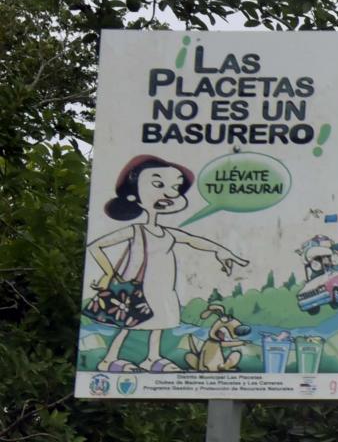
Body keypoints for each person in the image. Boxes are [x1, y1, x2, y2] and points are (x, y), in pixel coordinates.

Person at [84, 155, 249, 372]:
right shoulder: (136, 230)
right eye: (158, 184)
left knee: (159, 324)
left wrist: (221, 250)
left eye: (175, 187)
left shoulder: (166, 232)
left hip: (162, 289)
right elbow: (95, 246)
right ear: (134, 195)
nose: (170, 193)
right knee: (128, 326)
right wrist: (109, 274)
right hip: (137, 288)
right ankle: (109, 360)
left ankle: (152, 358)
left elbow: (192, 240)